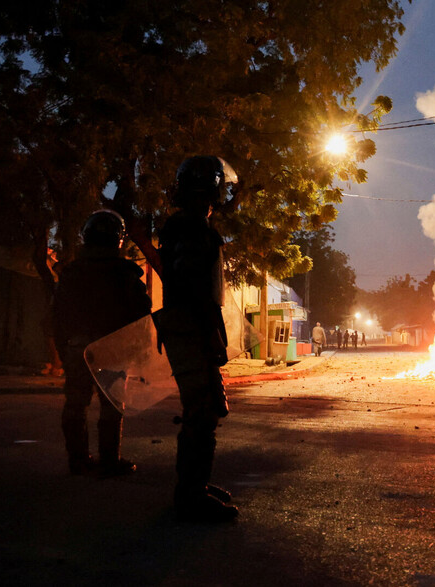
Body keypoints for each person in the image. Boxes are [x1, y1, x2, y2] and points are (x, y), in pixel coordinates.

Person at [158, 155, 239, 522]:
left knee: (203, 410)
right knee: (202, 411)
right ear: (213, 187)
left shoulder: (186, 226)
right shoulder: (193, 229)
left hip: (188, 328)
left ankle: (195, 486)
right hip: (191, 330)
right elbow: (194, 289)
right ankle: (190, 497)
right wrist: (209, 334)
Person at [52, 210, 152, 477]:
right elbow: (141, 314)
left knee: (75, 404)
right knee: (112, 405)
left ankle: (78, 460)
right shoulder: (126, 274)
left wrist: (65, 350)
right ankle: (109, 460)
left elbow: (57, 316)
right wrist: (140, 351)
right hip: (113, 348)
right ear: (118, 240)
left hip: (79, 348)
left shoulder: (72, 274)